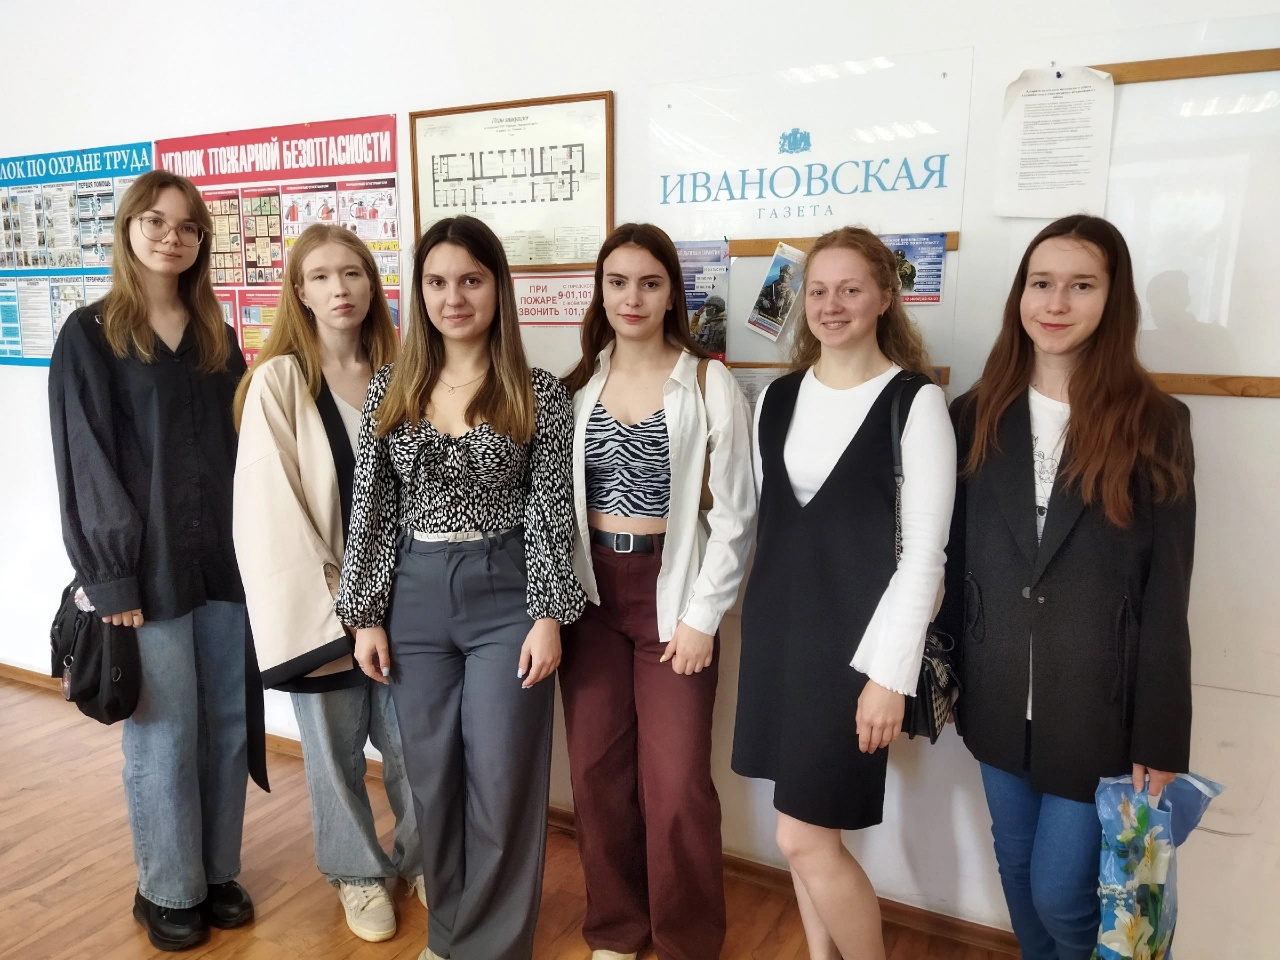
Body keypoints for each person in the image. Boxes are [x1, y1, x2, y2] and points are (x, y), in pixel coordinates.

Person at [937, 215, 1196, 960]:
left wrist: (1161, 735)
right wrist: (942, 678)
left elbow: (1167, 591)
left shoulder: (1155, 423)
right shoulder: (975, 414)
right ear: (1019, 294)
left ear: (1113, 299)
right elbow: (953, 560)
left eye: (1081, 285)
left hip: (1100, 711)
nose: (1056, 303)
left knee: (1064, 893)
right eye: (1041, 283)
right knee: (1018, 872)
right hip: (995, 698)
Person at [334, 214, 584, 960]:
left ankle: (490, 949)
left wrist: (549, 615)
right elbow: (372, 508)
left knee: (502, 780)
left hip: (507, 596)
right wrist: (365, 615)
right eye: (437, 282)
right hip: (413, 597)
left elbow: (550, 510)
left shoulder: (538, 391)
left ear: (497, 287)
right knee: (433, 781)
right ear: (419, 293)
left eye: (471, 280)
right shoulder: (393, 386)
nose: (454, 298)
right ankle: (448, 938)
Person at [48, 169, 265, 952]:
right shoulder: (90, 335)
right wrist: (110, 579)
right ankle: (167, 888)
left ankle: (216, 871)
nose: (173, 237)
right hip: (148, 572)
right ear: (129, 228)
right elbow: (86, 460)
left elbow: (245, 450)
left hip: (225, 566)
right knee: (165, 733)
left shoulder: (217, 338)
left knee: (228, 726)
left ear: (202, 241)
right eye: (157, 221)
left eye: (188, 227)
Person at [732, 226, 956, 960]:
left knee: (802, 836)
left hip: (856, 653)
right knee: (802, 831)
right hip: (780, 638)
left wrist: (889, 676)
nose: (831, 305)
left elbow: (925, 557)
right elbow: (771, 524)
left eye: (850, 289)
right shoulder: (777, 397)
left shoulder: (914, 403)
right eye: (819, 290)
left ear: (885, 296)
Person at [560, 224, 755, 960]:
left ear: (672, 292)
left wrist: (704, 616)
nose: (632, 297)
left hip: (672, 595)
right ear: (600, 291)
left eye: (649, 282)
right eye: (617, 282)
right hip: (590, 596)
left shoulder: (707, 382)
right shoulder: (578, 385)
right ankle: (616, 928)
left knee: (675, 786)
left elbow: (736, 515)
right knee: (595, 776)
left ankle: (686, 942)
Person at [231, 223, 424, 942]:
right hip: (325, 602)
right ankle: (357, 873)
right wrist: (339, 602)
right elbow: (270, 507)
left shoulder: (404, 370)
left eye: (352, 273)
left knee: (415, 743)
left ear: (373, 284)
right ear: (300, 292)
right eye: (320, 276)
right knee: (335, 752)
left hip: (407, 596)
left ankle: (423, 857)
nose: (339, 289)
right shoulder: (280, 380)